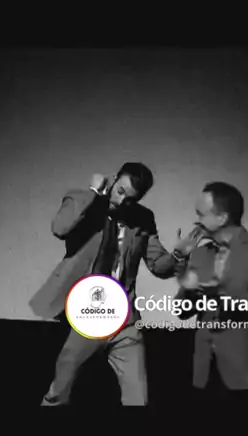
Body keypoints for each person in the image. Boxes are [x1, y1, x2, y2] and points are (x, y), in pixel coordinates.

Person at [29, 162, 202, 406]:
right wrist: (93, 191)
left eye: (130, 199)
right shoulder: (84, 202)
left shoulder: (143, 219)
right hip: (88, 314)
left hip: (124, 320)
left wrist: (178, 255)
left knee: (137, 400)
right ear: (113, 179)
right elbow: (60, 228)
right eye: (120, 191)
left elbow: (157, 265)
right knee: (59, 393)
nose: (121, 202)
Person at [173, 181, 248, 409]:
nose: (196, 221)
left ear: (222, 218)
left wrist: (219, 295)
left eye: (201, 214)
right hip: (206, 372)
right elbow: (180, 311)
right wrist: (187, 281)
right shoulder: (200, 254)